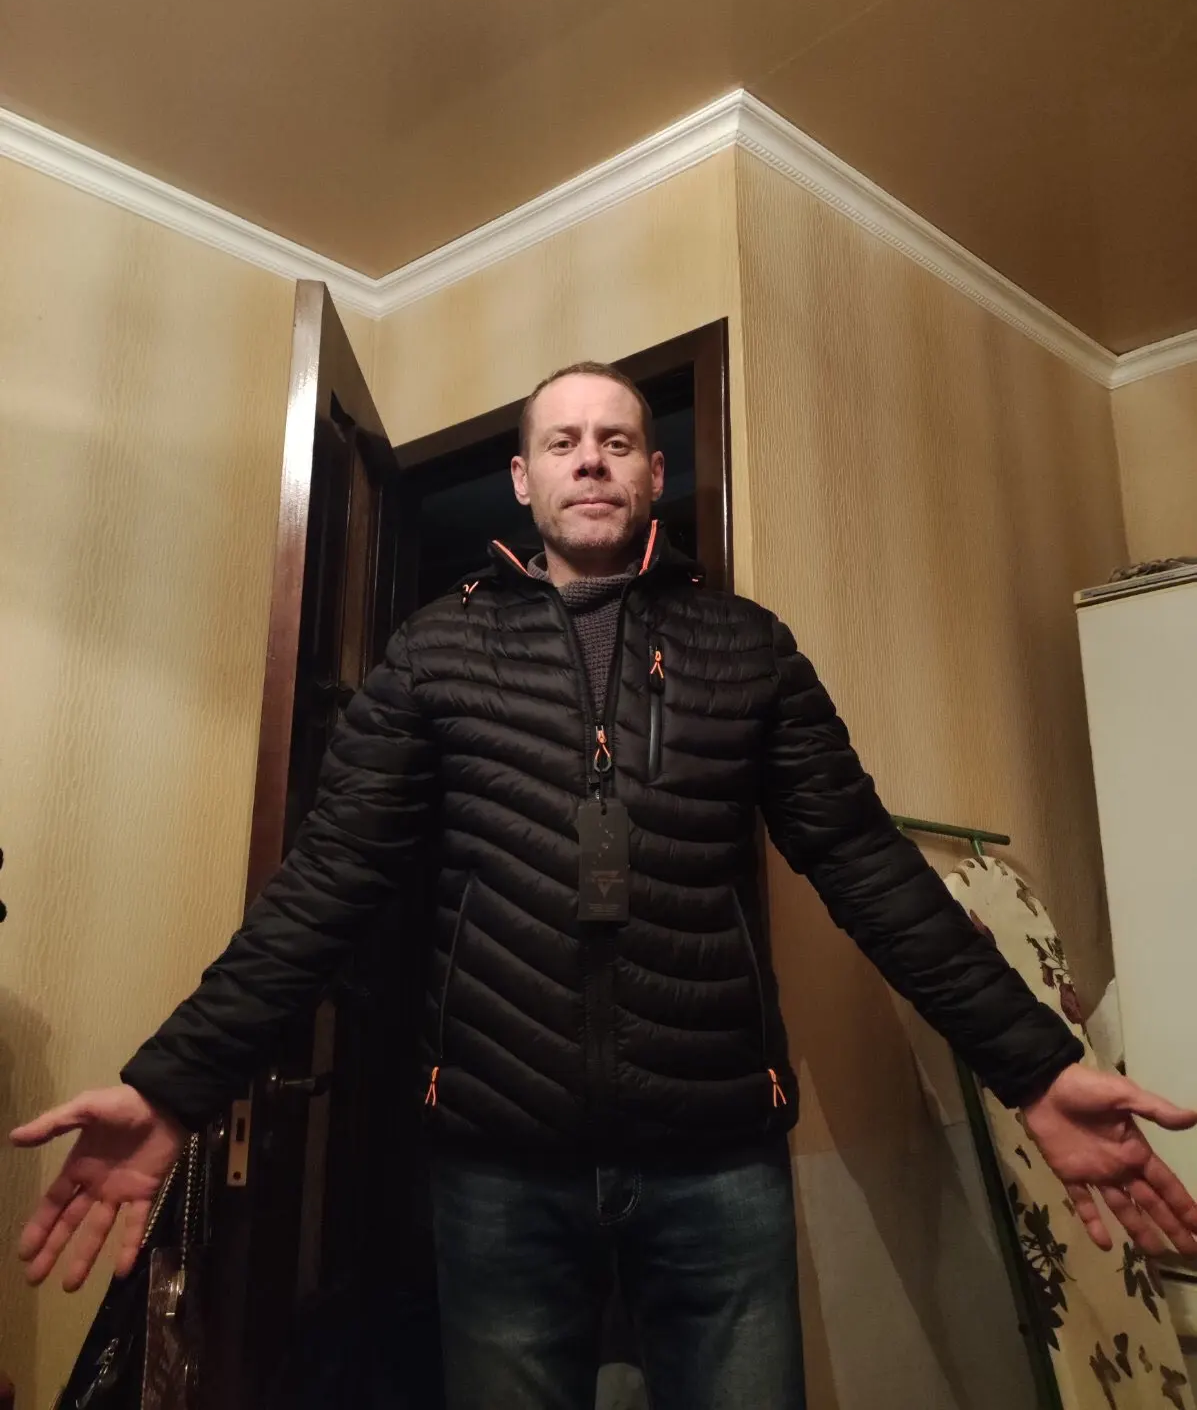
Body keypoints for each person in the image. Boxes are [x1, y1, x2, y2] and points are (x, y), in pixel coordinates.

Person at [13, 362, 1197, 1410]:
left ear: (654, 473)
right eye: (563, 441)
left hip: (718, 1161)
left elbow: (869, 865)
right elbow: (324, 885)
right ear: (522, 480)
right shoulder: (434, 652)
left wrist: (1036, 1065)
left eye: (617, 440)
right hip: (496, 1166)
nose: (590, 459)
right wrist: (176, 1084)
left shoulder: (748, 647)